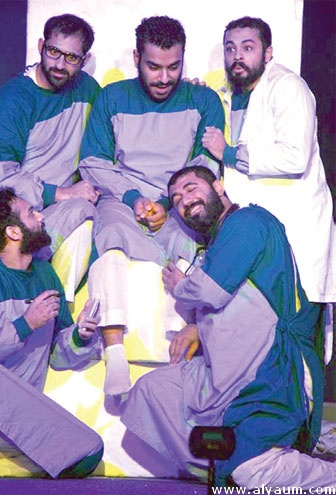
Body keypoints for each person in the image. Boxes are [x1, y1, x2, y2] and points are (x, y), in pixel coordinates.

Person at [121, 166, 336, 488]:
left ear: (219, 187)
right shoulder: (216, 244)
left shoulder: (247, 221)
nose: (184, 201)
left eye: (191, 188)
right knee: (153, 390)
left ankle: (262, 466)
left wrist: (181, 286)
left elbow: (210, 291)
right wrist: (195, 326)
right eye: (176, 199)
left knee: (252, 472)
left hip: (270, 370)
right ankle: (225, 466)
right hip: (221, 372)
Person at [79, 15, 225, 396]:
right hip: (123, 199)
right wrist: (134, 199)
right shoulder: (112, 98)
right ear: (136, 59)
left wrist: (167, 202)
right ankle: (114, 354)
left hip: (177, 205)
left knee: (191, 248)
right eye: (154, 66)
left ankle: (178, 354)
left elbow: (206, 166)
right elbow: (92, 162)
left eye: (173, 67)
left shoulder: (204, 100)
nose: (164, 77)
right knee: (109, 237)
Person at [0, 188, 104, 481]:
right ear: (13, 232)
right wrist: (24, 324)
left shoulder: (45, 275)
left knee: (89, 451)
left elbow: (57, 356)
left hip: (20, 417)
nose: (41, 217)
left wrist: (80, 336)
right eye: (31, 213)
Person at [0, 13, 101, 302]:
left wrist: (186, 90)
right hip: (0, 221)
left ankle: (58, 312)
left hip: (48, 215)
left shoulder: (87, 89)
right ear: (41, 46)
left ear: (85, 59)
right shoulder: (12, 101)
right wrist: (61, 193)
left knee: (95, 216)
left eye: (71, 57)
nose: (60, 64)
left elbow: (112, 125)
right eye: (54, 51)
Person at [202, 16, 335, 304]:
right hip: (256, 232)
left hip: (294, 226)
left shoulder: (288, 87)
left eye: (248, 48)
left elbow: (295, 156)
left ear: (268, 53)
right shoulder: (228, 93)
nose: (237, 56)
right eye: (230, 48)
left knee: (296, 316)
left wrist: (228, 153)